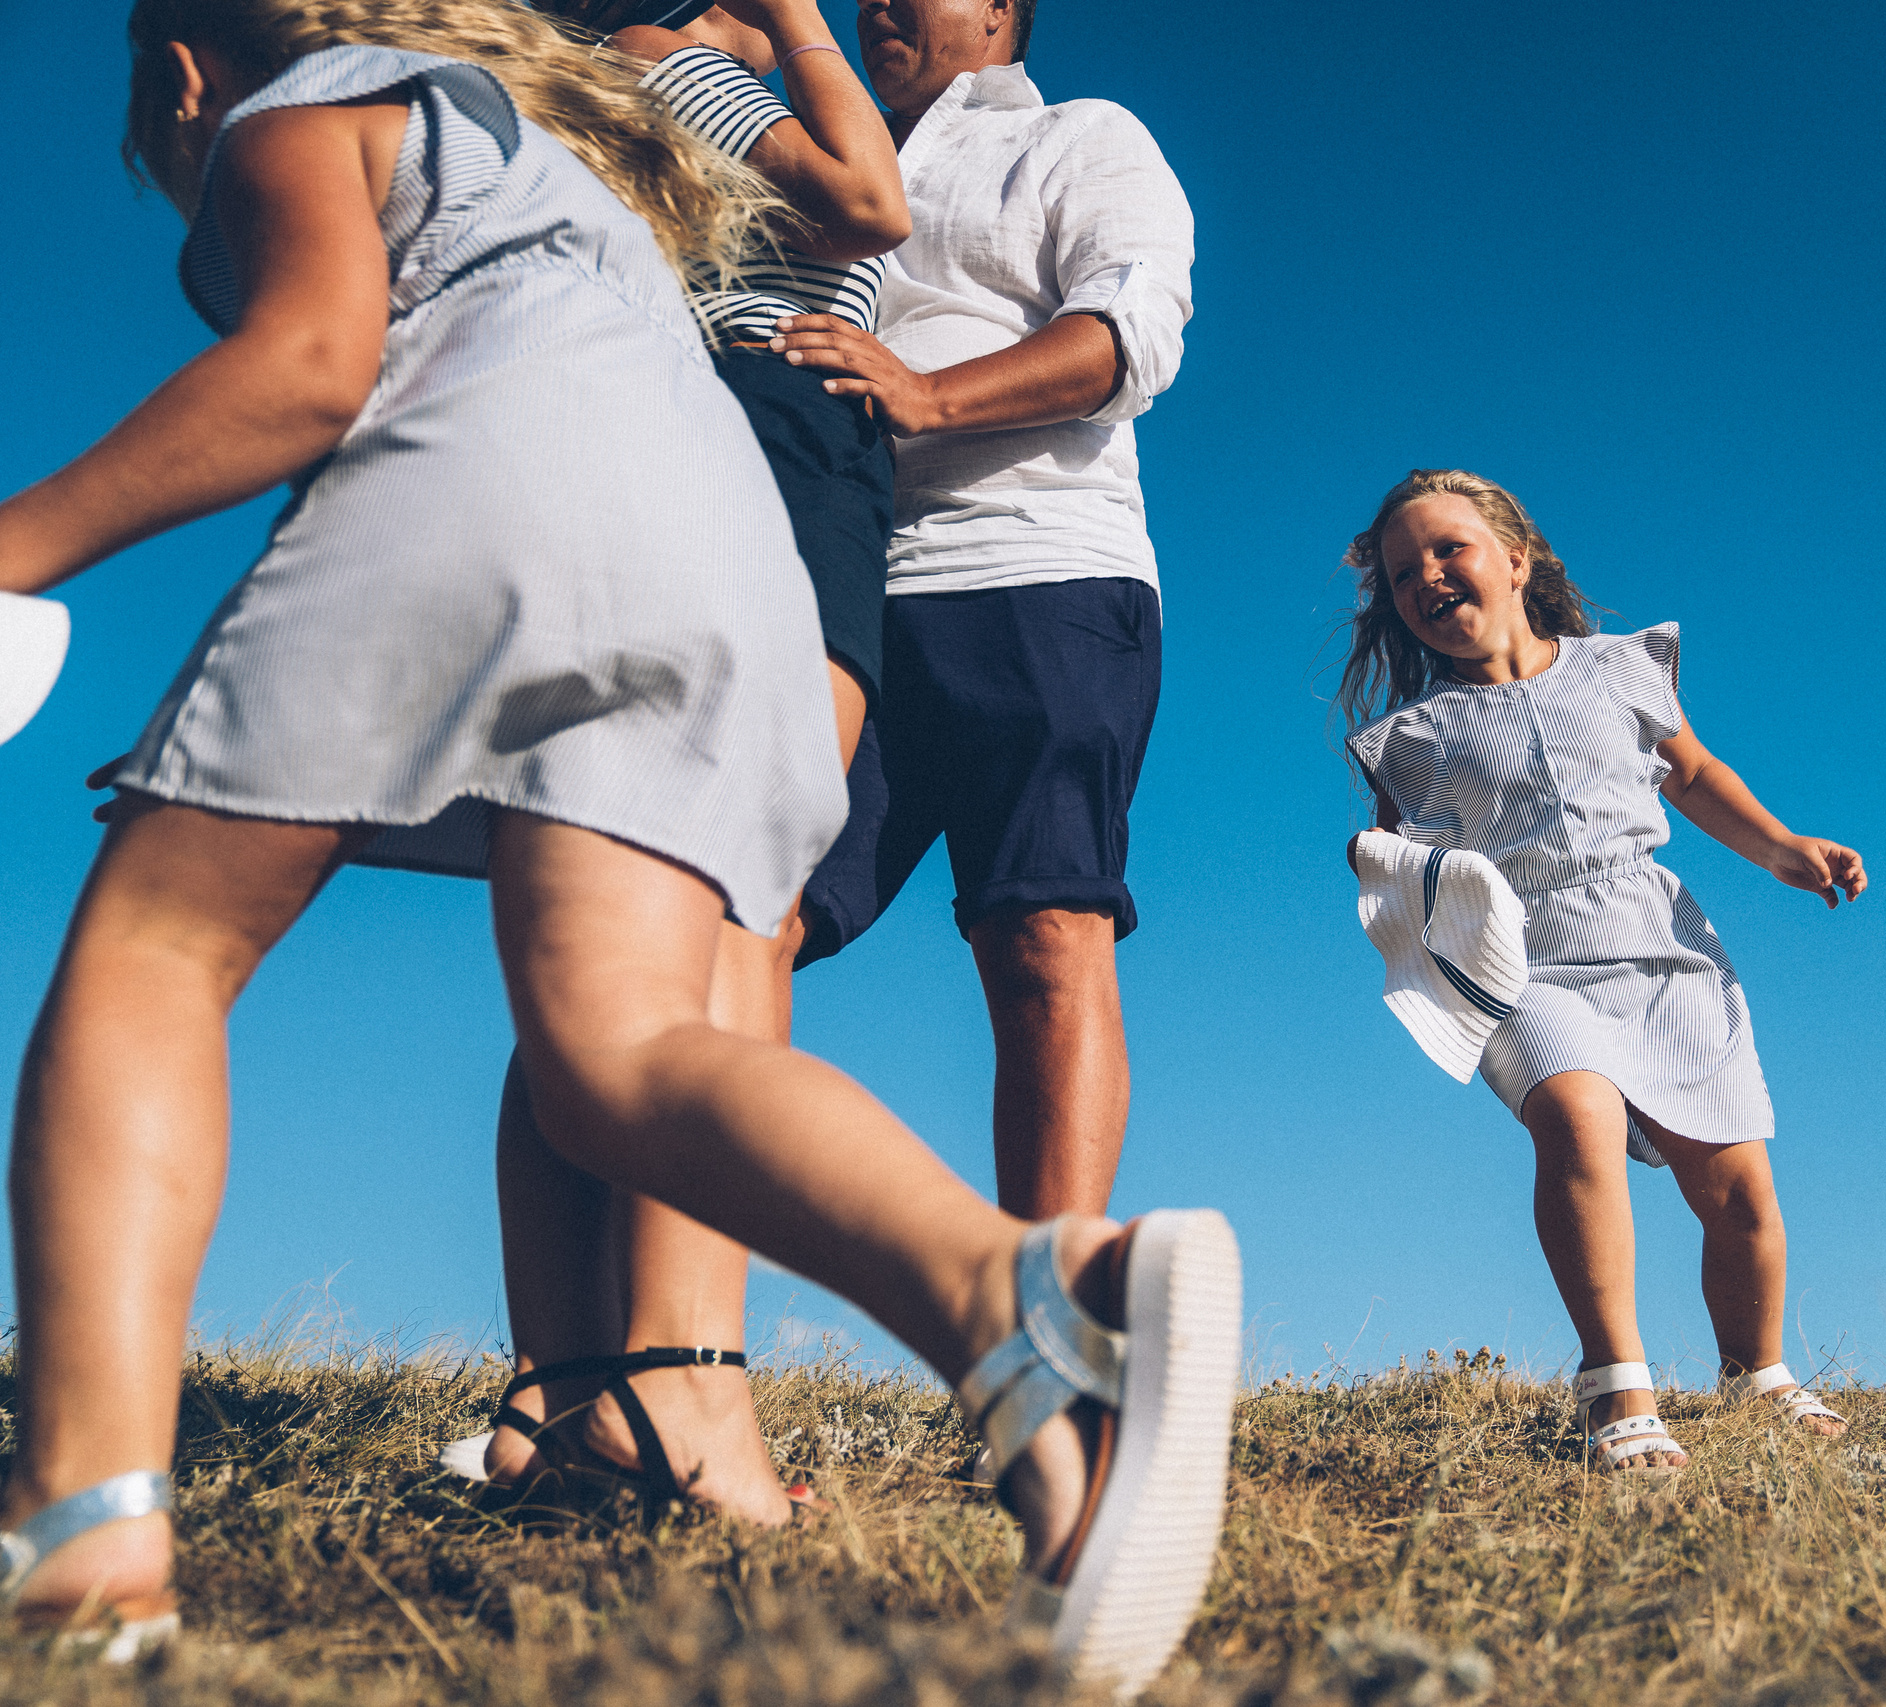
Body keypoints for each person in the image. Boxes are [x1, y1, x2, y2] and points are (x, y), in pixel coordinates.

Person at [0, 7, 1238, 1693]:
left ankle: (87, 1528)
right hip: (729, 545)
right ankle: (1023, 1296)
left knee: (158, 944)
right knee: (623, 1044)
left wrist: (17, 548)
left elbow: (305, 367)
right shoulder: (579, 139)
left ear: (186, 61)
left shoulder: (298, 106)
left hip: (520, 464)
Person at [471, 0, 914, 1528]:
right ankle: (682, 1386)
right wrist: (790, 22)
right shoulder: (700, 66)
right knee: (740, 906)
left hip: (636, 444)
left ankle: (559, 1387)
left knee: (601, 929)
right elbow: (869, 201)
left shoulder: (577, 85)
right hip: (779, 442)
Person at [758, 0, 1194, 1221]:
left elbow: (1132, 331)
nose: (881, 2)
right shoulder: (805, 154)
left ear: (1001, 11)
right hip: (832, 596)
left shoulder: (1079, 135)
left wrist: (928, 395)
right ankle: (635, 1345)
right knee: (739, 926)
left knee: (1043, 935)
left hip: (1036, 570)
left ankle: (1046, 1333)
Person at [1336, 469, 1865, 1476]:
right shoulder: (1410, 739)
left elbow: (1695, 776)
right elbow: (1394, 858)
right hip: (1523, 960)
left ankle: (1757, 1376)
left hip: (1658, 941)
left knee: (1737, 1191)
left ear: (1517, 560)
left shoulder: (1622, 669)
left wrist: (1785, 848)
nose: (1428, 578)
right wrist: (1385, 873)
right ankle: (1615, 1385)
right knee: (1574, 1115)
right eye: (1404, 574)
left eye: (1449, 550)